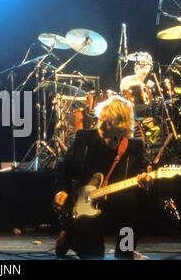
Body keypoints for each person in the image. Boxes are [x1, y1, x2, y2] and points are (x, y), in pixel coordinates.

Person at [53, 95, 153, 260]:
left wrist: (147, 181)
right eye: (101, 119)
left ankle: (125, 250)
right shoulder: (83, 138)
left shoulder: (134, 146)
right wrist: (61, 190)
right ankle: (70, 232)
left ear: (121, 126)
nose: (102, 124)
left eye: (109, 122)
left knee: (140, 203)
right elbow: (64, 168)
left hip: (117, 206)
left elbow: (143, 171)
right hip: (84, 207)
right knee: (94, 256)